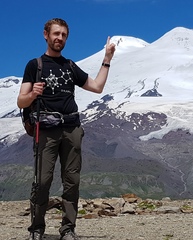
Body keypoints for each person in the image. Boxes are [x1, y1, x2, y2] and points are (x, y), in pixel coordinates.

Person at [17, 18, 115, 240]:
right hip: (46, 130)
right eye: (56, 34)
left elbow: (97, 87)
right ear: (46, 34)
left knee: (72, 181)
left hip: (71, 129)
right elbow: (21, 102)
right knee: (41, 181)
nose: (59, 38)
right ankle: (37, 228)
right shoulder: (35, 65)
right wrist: (33, 94)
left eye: (63, 35)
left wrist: (107, 59)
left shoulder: (70, 66)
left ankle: (68, 229)